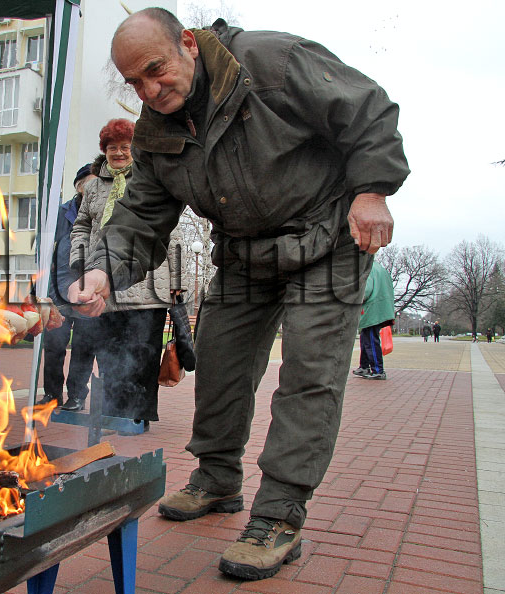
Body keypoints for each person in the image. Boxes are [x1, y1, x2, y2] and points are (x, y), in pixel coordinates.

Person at [67, 8, 409, 581]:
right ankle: (217, 477)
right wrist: (101, 270)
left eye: (155, 70)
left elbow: (366, 108)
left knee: (309, 374)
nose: (150, 90)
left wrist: (373, 190)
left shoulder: (274, 63)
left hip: (327, 241)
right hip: (246, 253)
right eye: (134, 82)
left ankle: (278, 514)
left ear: (187, 43)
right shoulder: (156, 131)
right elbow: (141, 217)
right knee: (220, 360)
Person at [70, 118, 183, 429]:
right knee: (109, 354)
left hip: (147, 286)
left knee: (143, 354)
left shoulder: (150, 182)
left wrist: (178, 287)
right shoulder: (93, 187)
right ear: (104, 151)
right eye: (112, 147)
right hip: (104, 283)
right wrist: (81, 263)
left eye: (125, 147)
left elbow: (170, 236)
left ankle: (137, 418)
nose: (119, 153)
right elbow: (81, 227)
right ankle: (112, 414)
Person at [37, 163, 100, 410]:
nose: (93, 189)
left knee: (83, 348)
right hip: (59, 292)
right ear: (78, 186)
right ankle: (52, 394)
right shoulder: (60, 213)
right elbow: (44, 252)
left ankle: (76, 395)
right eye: (88, 184)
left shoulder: (102, 212)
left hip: (88, 292)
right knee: (53, 346)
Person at [356, 262, 395, 380]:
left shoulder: (367, 268)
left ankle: (378, 370)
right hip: (381, 307)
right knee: (366, 338)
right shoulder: (380, 269)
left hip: (372, 309)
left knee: (370, 340)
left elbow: (365, 291)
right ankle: (364, 366)